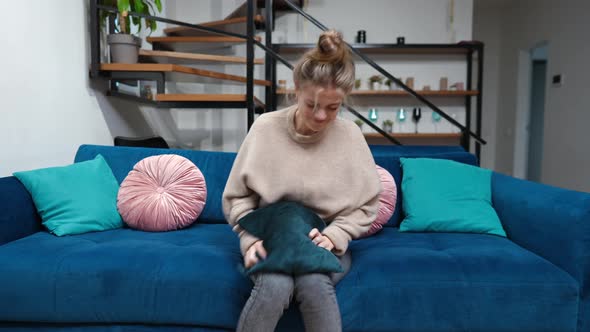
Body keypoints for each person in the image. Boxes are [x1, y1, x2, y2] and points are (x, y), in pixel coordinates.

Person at [222, 29, 382, 332]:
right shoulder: (265, 128)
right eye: (311, 104)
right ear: (296, 89)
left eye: (333, 108)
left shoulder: (351, 137)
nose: (321, 116)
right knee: (273, 285)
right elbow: (237, 198)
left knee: (314, 283)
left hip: (324, 240)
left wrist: (336, 235)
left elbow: (367, 204)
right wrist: (249, 238)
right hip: (271, 236)